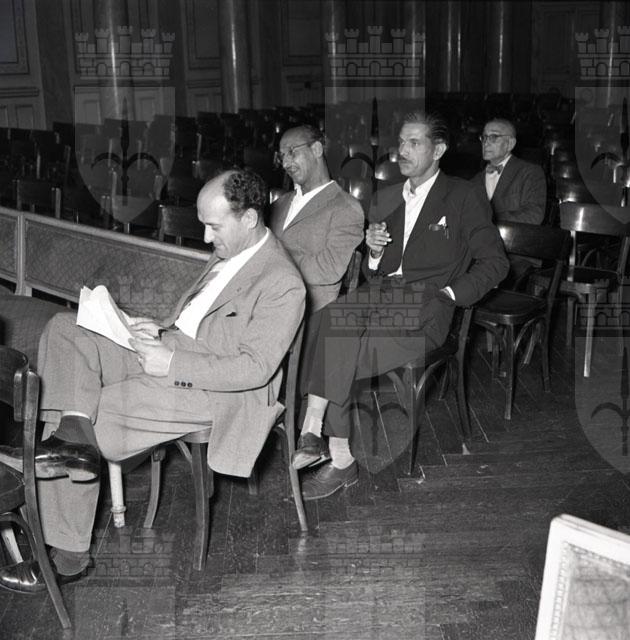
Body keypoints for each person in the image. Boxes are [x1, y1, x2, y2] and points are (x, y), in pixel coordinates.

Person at [0, 169, 305, 591]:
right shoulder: (231, 249)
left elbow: (253, 368)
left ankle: (67, 553)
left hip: (218, 388)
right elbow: (202, 319)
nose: (205, 237)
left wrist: (173, 363)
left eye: (213, 226)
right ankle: (72, 435)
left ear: (250, 219)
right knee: (65, 330)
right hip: (173, 350)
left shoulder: (283, 282)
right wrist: (159, 330)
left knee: (93, 408)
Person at [291, 111, 509, 500]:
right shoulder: (386, 196)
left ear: (438, 150)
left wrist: (450, 295)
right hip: (380, 296)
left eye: (414, 143)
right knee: (325, 321)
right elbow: (375, 271)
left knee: (332, 340)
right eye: (401, 142)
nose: (402, 151)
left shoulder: (463, 196)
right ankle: (328, 445)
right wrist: (375, 253)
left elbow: (495, 263)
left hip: (425, 306)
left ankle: (323, 440)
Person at [270, 124, 365, 313]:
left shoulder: (346, 207)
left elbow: (329, 268)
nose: (286, 163)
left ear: (316, 149)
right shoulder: (279, 204)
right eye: (282, 156)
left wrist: (275, 261)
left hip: (309, 310)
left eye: (292, 152)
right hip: (270, 300)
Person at [472, 118, 547, 283]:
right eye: (484, 137)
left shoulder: (530, 172)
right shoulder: (475, 180)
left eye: (493, 137)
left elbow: (534, 214)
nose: (486, 142)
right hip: (480, 253)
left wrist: (490, 220)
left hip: (517, 254)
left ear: (510, 143)